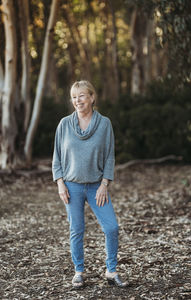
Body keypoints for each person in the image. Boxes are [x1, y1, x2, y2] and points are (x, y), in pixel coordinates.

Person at [52, 80, 128, 288]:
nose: (78, 101)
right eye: (74, 97)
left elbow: (110, 157)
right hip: (72, 185)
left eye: (82, 96)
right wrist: (60, 183)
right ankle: (78, 271)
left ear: (92, 97)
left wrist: (105, 183)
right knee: (76, 229)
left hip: (96, 186)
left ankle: (111, 272)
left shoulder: (104, 124)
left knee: (111, 227)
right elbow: (57, 158)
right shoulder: (64, 124)